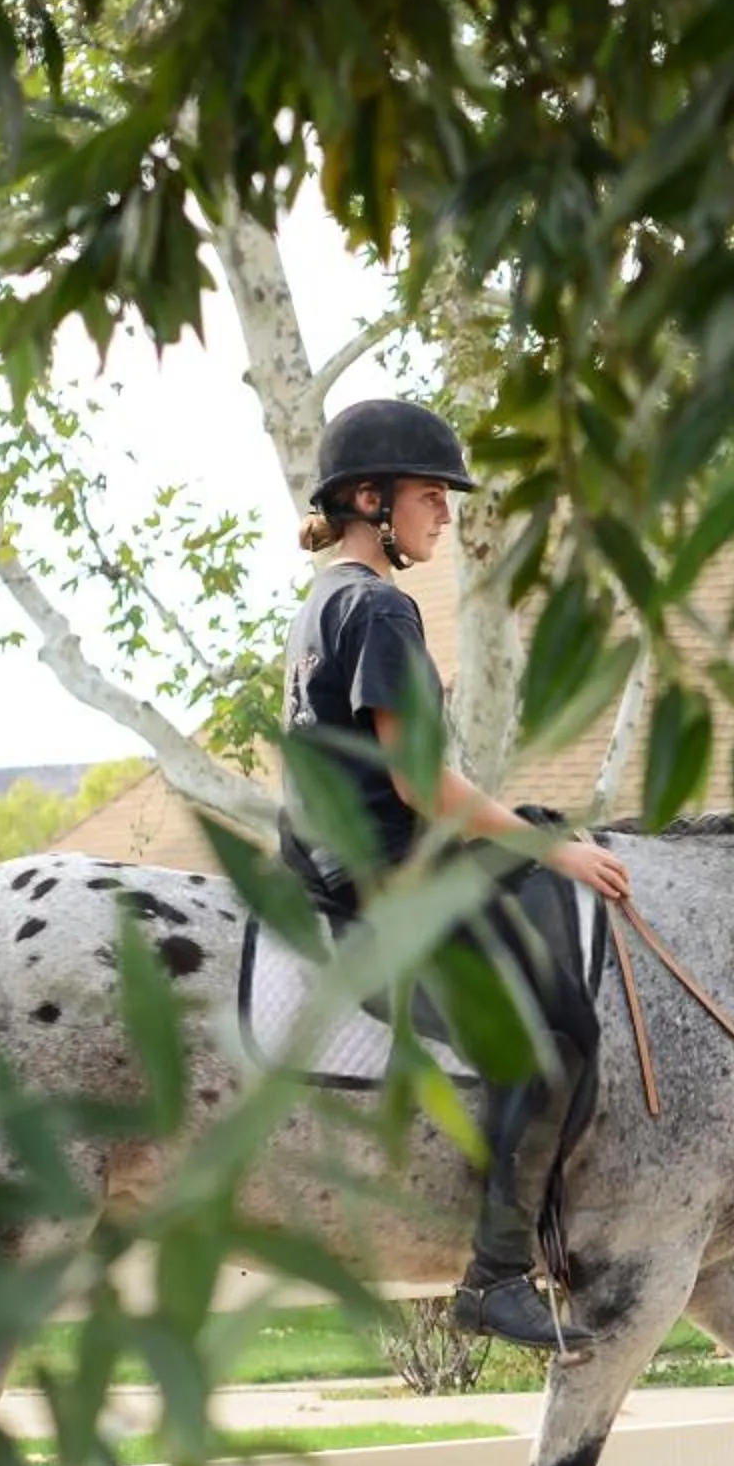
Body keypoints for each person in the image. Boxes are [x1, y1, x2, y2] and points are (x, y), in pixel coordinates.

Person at [278, 397, 631, 1353]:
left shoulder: (321, 604)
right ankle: (497, 1272)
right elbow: (421, 782)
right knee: (560, 1034)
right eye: (431, 495)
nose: (445, 513)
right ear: (368, 500)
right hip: (384, 885)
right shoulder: (382, 607)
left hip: (329, 867)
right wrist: (546, 847)